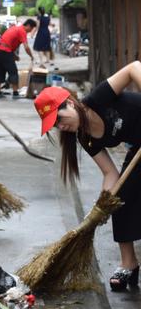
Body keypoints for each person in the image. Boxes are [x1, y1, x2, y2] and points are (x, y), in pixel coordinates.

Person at [34, 60, 141, 292]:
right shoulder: (85, 137)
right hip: (139, 146)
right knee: (119, 200)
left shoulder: (98, 98)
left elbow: (134, 67)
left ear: (71, 103)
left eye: (59, 119)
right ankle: (129, 264)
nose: (60, 127)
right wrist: (102, 206)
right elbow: (109, 173)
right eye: (55, 125)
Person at [0, 19, 36, 99]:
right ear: (28, 26)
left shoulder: (15, 28)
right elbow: (26, 47)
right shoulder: (22, 31)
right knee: (13, 71)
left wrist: (14, 55)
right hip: (5, 51)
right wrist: (31, 56)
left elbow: (8, 42)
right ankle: (15, 93)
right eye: (31, 29)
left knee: (0, 70)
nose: (30, 31)